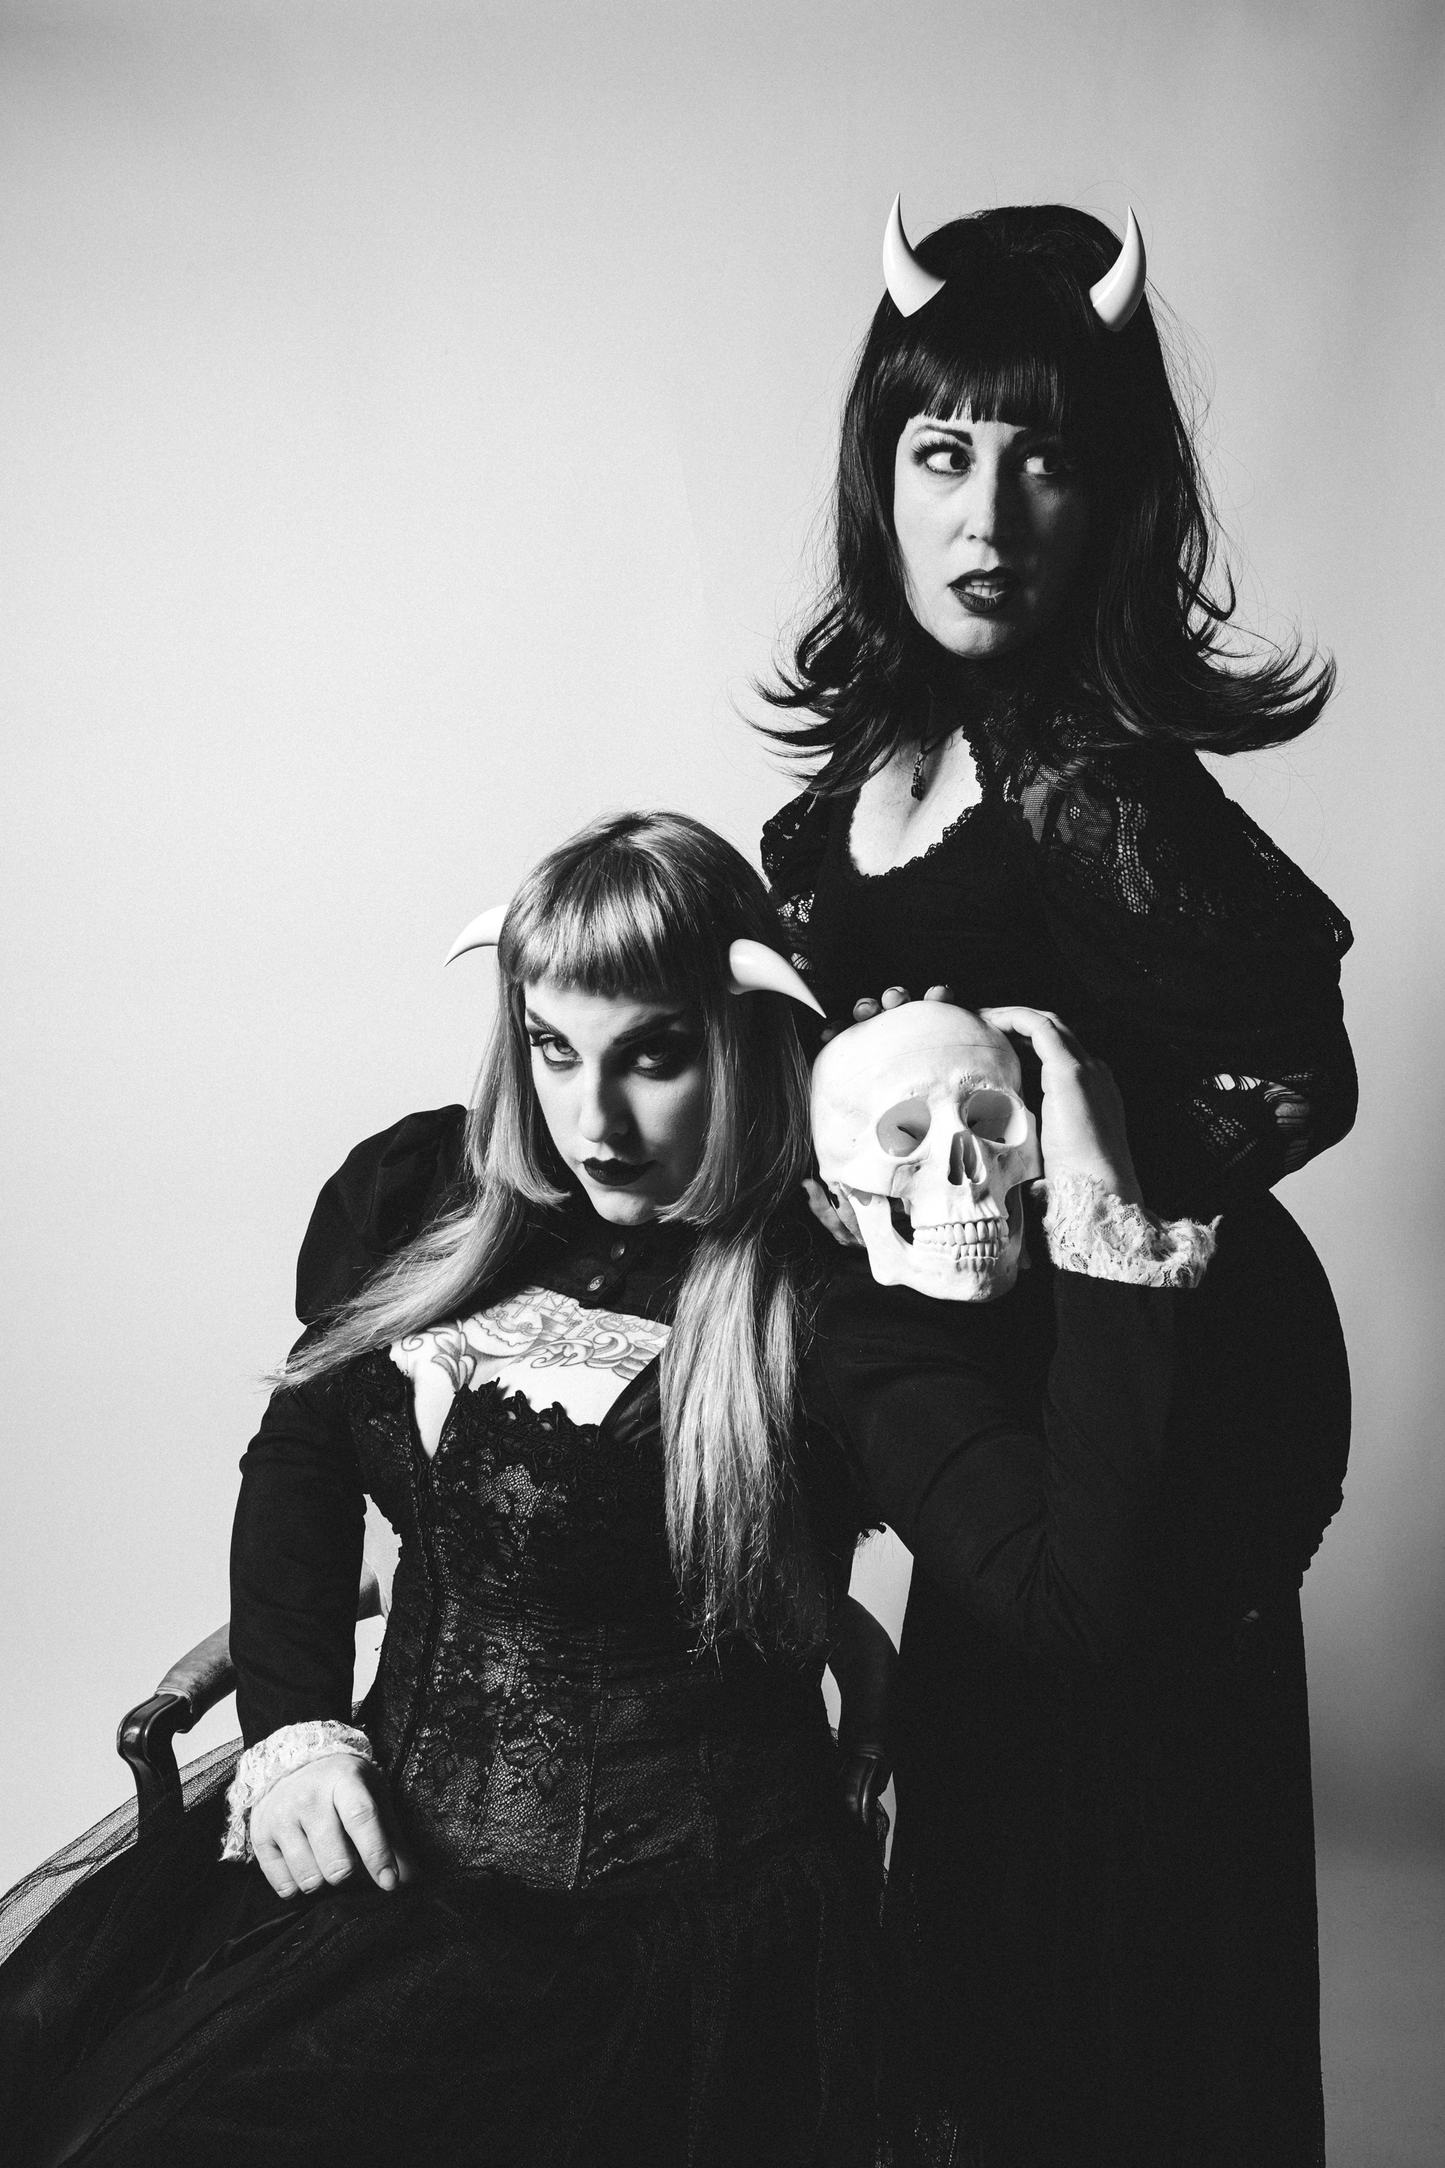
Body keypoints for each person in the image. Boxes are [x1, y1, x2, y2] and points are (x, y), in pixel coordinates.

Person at [1, 810, 1205, 2168]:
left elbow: (1067, 1598)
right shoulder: (427, 1201)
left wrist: (1094, 1182)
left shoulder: (827, 1303)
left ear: (742, 1039)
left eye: (654, 1056)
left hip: (654, 1967)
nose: (594, 1121)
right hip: (375, 1885)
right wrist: (297, 1737)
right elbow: (300, 1455)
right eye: (555, 1049)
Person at [759, 203, 1355, 2164]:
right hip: (982, 1415)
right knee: (984, 1887)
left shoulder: (1088, 778)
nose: (989, 516)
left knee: (1122, 1928)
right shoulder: (843, 801)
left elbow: (1302, 1074)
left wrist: (1077, 1133)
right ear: (882, 473)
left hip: (1164, 1412)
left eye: (1047, 463)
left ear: (1109, 499)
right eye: (945, 455)